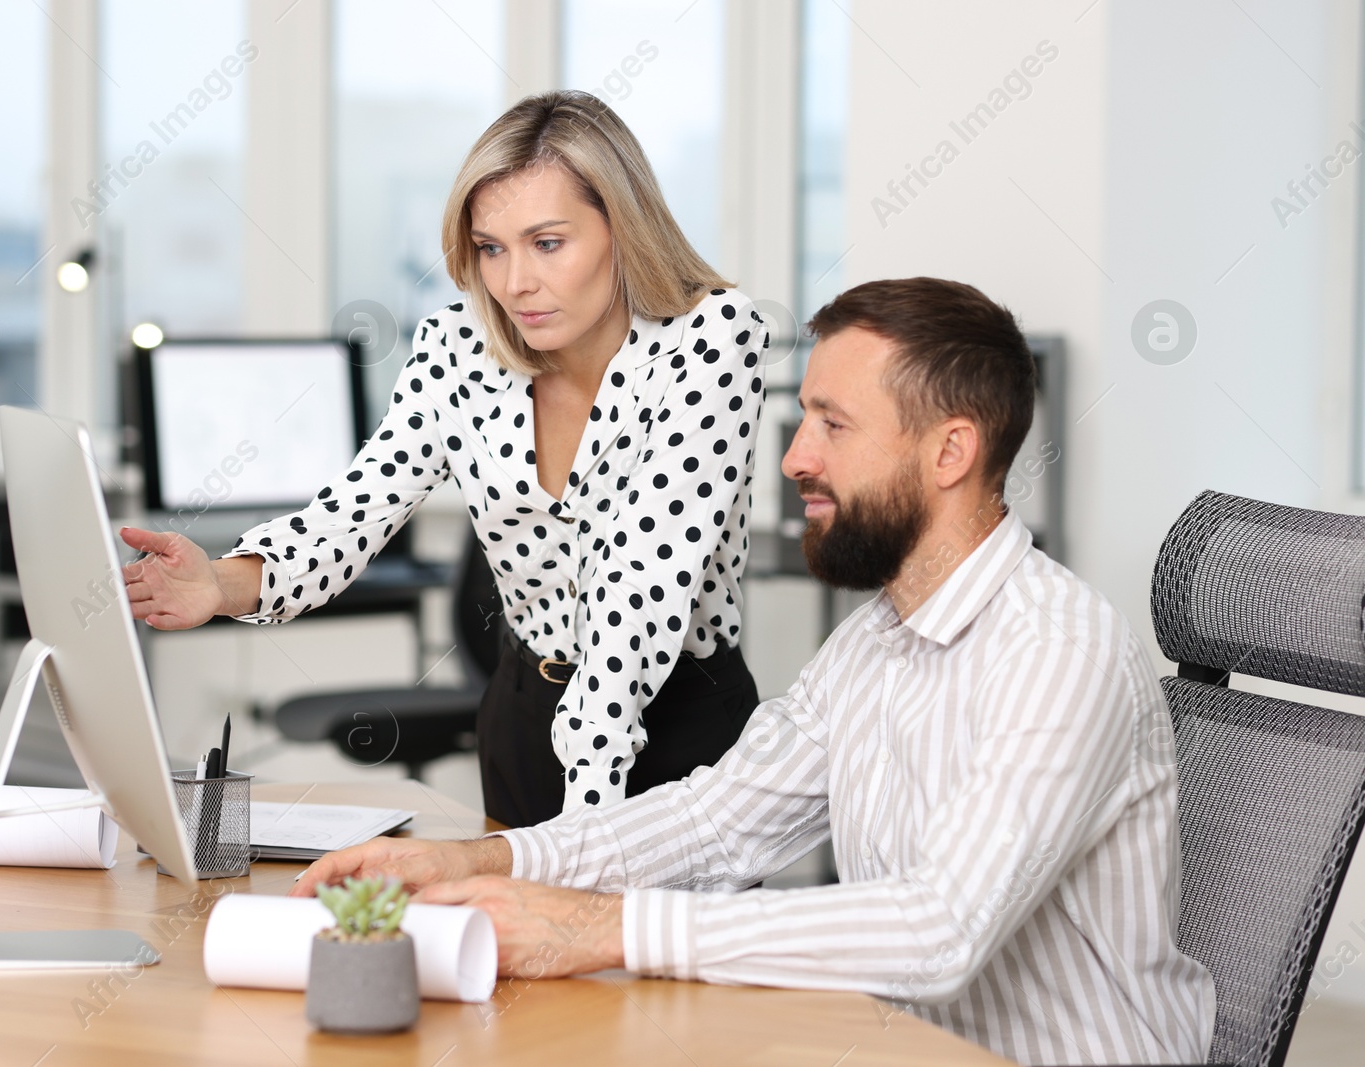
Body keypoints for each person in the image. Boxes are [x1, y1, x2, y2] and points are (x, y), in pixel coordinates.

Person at [290, 277, 1217, 1066]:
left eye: (832, 424)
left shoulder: (1056, 652)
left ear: (951, 451)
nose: (793, 457)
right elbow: (719, 820)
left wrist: (602, 930)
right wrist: (480, 859)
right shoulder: (877, 638)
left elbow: (939, 929)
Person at [120, 90, 767, 828]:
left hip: (676, 723)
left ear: (622, 228)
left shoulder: (711, 338)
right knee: (512, 943)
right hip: (526, 713)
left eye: (547, 243)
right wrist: (221, 582)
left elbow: (639, 588)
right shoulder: (459, 347)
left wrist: (584, 830)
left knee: (652, 946)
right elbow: (354, 511)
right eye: (491, 247)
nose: (514, 281)